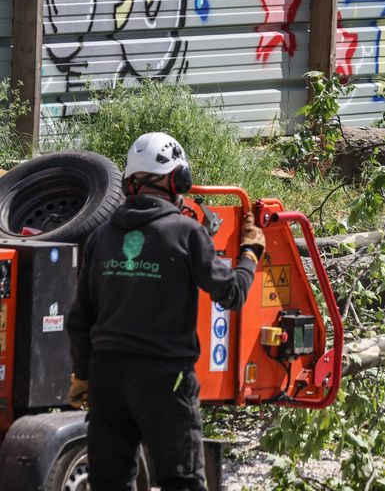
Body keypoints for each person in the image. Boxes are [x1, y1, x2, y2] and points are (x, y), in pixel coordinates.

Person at [66, 132, 265, 491]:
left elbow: (79, 317)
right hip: (165, 378)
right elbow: (232, 294)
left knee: (109, 481)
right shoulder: (186, 233)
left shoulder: (100, 236)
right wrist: (250, 253)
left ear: (129, 183)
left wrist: (83, 374)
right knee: (182, 479)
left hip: (107, 375)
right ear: (178, 180)